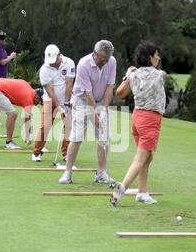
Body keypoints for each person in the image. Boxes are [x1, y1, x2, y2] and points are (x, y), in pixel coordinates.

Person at [110, 42, 167, 206]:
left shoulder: (133, 75)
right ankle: (122, 188)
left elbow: (119, 93)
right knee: (140, 158)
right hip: (151, 120)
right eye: (156, 54)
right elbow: (160, 76)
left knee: (147, 157)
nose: (158, 57)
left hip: (137, 118)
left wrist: (128, 76)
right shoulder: (160, 75)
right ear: (150, 57)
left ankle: (142, 193)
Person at [58, 40, 116, 184]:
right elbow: (88, 94)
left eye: (106, 60)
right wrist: (95, 116)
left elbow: (109, 87)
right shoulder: (84, 64)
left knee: (103, 138)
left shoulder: (111, 61)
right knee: (76, 137)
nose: (104, 62)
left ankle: (101, 173)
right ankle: (68, 173)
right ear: (94, 53)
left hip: (101, 100)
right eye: (102, 59)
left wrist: (104, 110)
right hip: (82, 101)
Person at [31, 44, 75, 162]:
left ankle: (66, 154)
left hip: (68, 99)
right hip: (50, 99)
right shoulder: (44, 69)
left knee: (69, 126)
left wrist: (66, 104)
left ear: (59, 55)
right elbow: (50, 91)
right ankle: (37, 152)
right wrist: (59, 108)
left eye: (53, 60)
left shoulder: (69, 63)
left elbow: (69, 85)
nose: (51, 63)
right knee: (46, 125)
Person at [0, 78, 43, 149]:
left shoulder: (27, 86)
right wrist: (27, 136)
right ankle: (9, 142)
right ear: (37, 97)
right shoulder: (29, 98)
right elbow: (27, 119)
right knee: (13, 114)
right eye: (39, 102)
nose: (37, 104)